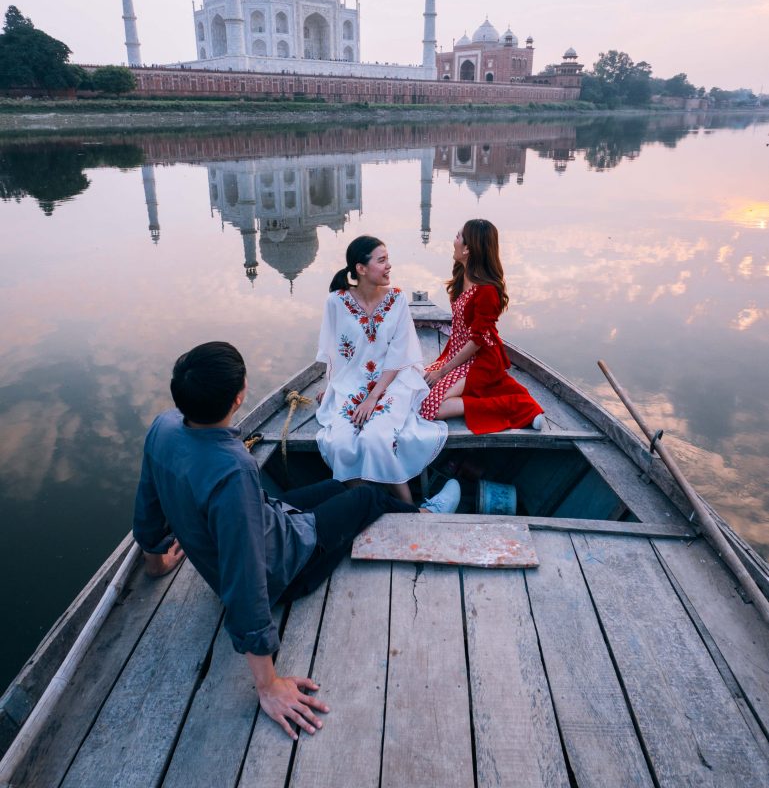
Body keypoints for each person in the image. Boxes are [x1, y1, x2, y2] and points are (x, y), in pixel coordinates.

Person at [133, 341, 458, 741]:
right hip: (288, 568)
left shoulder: (163, 428)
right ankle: (429, 516)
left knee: (337, 486)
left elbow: (147, 509)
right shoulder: (232, 471)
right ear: (239, 397)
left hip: (271, 521)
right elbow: (246, 576)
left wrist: (156, 563)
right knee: (368, 497)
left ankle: (397, 505)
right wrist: (268, 685)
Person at [315, 235, 448, 503]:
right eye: (382, 260)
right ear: (361, 268)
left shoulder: (397, 298)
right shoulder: (336, 302)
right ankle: (368, 502)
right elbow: (335, 353)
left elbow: (399, 355)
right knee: (341, 443)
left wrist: (373, 397)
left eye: (388, 259)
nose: (389, 266)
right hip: (352, 381)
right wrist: (330, 385)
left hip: (394, 379)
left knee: (376, 437)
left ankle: (407, 505)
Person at [420, 219, 544, 432]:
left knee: (432, 407)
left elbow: (477, 341)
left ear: (468, 248)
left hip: (479, 359)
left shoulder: (486, 291)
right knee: (419, 388)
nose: (454, 241)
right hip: (457, 354)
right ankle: (483, 390)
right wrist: (446, 365)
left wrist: (443, 371)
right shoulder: (462, 275)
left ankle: (516, 406)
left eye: (458, 237)